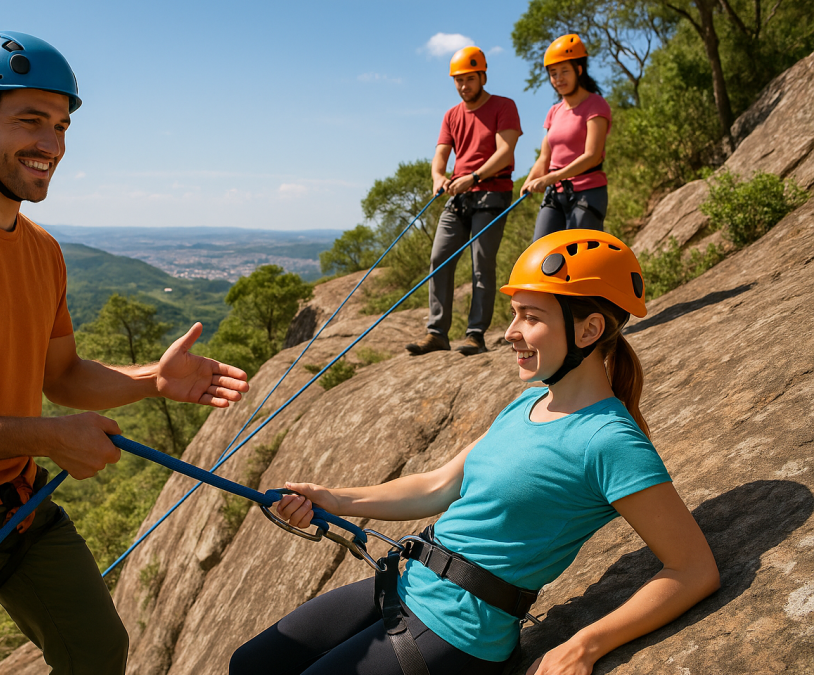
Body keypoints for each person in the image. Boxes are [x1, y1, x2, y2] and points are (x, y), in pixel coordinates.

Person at [0, 32, 249, 674]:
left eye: (61, 125)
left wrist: (152, 380)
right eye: (30, 121)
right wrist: (49, 438)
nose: (53, 145)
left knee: (96, 652)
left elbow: (61, 375)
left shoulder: (41, 251)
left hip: (14, 502)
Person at [231, 230, 719, 675]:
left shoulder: (610, 442)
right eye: (514, 314)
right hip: (404, 584)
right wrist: (332, 499)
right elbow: (439, 484)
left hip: (459, 631)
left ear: (588, 331)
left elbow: (694, 569)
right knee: (251, 664)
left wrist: (585, 645)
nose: (510, 332)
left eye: (531, 317)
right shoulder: (531, 402)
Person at [405, 46, 522, 357]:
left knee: (481, 263)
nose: (463, 86)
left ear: (482, 76)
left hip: (492, 192)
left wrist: (475, 176)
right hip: (458, 196)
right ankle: (437, 332)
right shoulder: (452, 115)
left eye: (469, 79)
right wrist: (438, 179)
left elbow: (505, 152)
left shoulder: (503, 106)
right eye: (458, 80)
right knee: (438, 259)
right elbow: (440, 155)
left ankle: (475, 335)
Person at [522, 34, 612, 242]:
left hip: (588, 192)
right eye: (553, 74)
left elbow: (592, 155)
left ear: (578, 70)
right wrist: (530, 181)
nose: (559, 78)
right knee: (542, 251)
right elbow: (545, 158)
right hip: (555, 194)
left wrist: (551, 177)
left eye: (564, 71)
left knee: (578, 255)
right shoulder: (554, 111)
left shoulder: (596, 105)